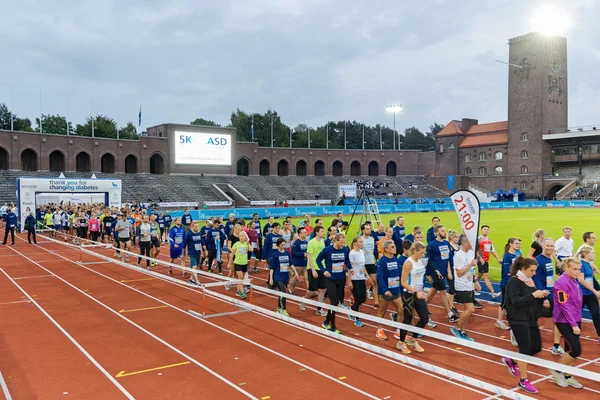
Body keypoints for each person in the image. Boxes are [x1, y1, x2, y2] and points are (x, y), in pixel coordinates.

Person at [501, 257, 549, 394]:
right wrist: (534, 295)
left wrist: (542, 299)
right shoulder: (514, 282)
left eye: (535, 270)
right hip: (517, 318)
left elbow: (531, 300)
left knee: (536, 347)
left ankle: (513, 360)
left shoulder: (529, 280)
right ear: (523, 269)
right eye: (531, 270)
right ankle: (523, 380)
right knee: (525, 348)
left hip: (530, 318)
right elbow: (516, 301)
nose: (534, 273)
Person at [548, 257, 585, 388]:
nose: (577, 272)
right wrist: (574, 324)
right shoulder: (561, 283)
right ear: (566, 268)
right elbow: (564, 305)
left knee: (570, 349)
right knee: (575, 350)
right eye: (574, 269)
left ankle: (568, 375)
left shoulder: (574, 281)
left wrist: (577, 320)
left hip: (575, 318)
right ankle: (557, 370)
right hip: (564, 320)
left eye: (578, 269)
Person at [533, 238, 565, 355]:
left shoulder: (549, 258)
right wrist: (544, 297)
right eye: (548, 246)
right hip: (543, 295)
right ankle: (518, 333)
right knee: (533, 318)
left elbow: (549, 278)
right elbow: (537, 280)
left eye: (552, 246)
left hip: (552, 293)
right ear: (542, 246)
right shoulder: (538, 261)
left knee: (558, 319)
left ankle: (556, 345)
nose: (550, 248)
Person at [316, 233, 351, 334]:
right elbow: (318, 260)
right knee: (333, 301)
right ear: (335, 241)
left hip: (341, 278)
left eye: (344, 242)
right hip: (330, 279)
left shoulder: (345, 249)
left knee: (336, 302)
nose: (343, 244)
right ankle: (333, 326)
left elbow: (347, 260)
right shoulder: (327, 250)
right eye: (341, 242)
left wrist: (350, 268)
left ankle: (326, 321)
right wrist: (323, 271)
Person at [397, 240, 428, 353]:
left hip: (419, 293)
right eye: (421, 253)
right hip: (409, 294)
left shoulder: (420, 261)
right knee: (408, 319)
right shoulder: (408, 263)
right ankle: (401, 342)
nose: (423, 255)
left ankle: (413, 339)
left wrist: (422, 291)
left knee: (424, 318)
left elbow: (419, 278)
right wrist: (415, 292)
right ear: (415, 251)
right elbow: (403, 282)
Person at [426, 225, 458, 323]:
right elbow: (429, 260)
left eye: (444, 231)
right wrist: (435, 271)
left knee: (433, 291)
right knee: (443, 291)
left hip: (444, 271)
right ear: (437, 233)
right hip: (436, 273)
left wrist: (449, 271)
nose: (445, 233)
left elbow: (448, 258)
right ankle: (450, 314)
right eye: (442, 231)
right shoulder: (432, 245)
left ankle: (420, 306)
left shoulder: (446, 243)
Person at [375, 240, 404, 342]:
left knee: (401, 309)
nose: (395, 248)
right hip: (385, 292)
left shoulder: (396, 260)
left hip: (396, 290)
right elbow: (380, 277)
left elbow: (399, 275)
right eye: (392, 247)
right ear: (386, 249)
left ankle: (398, 330)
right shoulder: (382, 262)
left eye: (394, 246)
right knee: (382, 311)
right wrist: (385, 290)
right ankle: (379, 330)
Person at [450, 235, 476, 341]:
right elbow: (459, 273)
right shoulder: (458, 256)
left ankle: (462, 331)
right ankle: (457, 328)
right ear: (464, 243)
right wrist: (470, 265)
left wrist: (475, 281)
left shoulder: (471, 253)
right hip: (461, 285)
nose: (472, 245)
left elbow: (473, 269)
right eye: (470, 242)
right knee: (471, 309)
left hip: (469, 284)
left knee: (467, 310)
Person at [301, 225, 327, 316]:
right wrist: (313, 270)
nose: (323, 233)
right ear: (317, 232)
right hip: (313, 268)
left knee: (322, 289)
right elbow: (310, 256)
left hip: (321, 268)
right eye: (322, 231)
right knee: (312, 290)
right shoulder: (311, 242)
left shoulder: (322, 243)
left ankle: (319, 309)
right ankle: (304, 299)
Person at [576, 247, 600, 342]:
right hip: (581, 294)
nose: (594, 254)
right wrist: (594, 290)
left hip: (590, 294)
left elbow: (590, 278)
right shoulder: (581, 265)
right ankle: (574, 333)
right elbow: (581, 280)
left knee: (595, 314)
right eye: (592, 253)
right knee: (577, 314)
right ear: (586, 254)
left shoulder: (589, 264)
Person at [497, 238, 521, 331]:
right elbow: (506, 272)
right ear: (510, 244)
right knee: (504, 303)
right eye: (516, 243)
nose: (518, 245)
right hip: (507, 283)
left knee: (511, 302)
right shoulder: (507, 256)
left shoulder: (515, 255)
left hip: (512, 282)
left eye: (518, 243)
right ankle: (499, 321)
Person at [347, 236, 371, 328]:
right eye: (360, 242)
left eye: (362, 242)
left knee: (363, 298)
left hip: (361, 278)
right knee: (357, 299)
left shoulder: (361, 252)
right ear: (355, 243)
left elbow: (362, 265)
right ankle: (357, 319)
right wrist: (349, 281)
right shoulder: (352, 254)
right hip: (354, 278)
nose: (362, 243)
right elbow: (350, 268)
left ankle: (352, 309)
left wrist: (367, 276)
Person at [269, 238, 297, 316]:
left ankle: (278, 308)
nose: (283, 247)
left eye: (284, 245)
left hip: (285, 276)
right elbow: (272, 267)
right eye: (281, 245)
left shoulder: (287, 253)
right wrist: (271, 278)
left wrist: (295, 272)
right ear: (278, 245)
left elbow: (290, 263)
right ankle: (283, 309)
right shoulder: (275, 255)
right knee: (284, 292)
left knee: (282, 292)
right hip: (277, 276)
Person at [477, 225, 502, 298]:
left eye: (487, 229)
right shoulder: (478, 239)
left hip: (486, 260)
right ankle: (493, 292)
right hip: (481, 260)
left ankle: (473, 287)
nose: (486, 231)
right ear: (481, 230)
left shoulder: (489, 239)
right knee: (486, 276)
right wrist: (480, 257)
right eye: (484, 229)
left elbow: (492, 250)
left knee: (480, 274)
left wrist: (498, 258)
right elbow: (474, 249)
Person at [289, 227, 308, 293]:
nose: (306, 233)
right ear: (300, 234)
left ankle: (309, 291)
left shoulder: (306, 242)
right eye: (304, 233)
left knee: (307, 278)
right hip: (298, 264)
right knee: (294, 279)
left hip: (305, 264)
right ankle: (290, 289)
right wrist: (303, 254)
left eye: (306, 232)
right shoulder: (296, 243)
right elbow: (293, 252)